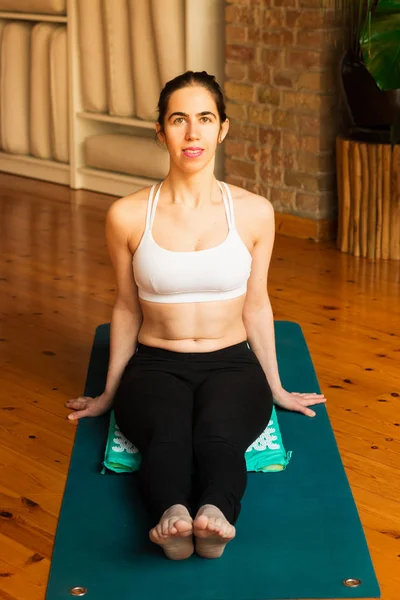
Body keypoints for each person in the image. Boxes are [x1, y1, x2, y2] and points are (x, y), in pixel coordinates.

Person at [65, 71, 326, 561]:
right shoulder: (126, 214)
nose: (192, 134)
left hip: (232, 361)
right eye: (178, 120)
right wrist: (106, 394)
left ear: (222, 128)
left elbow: (257, 302)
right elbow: (125, 305)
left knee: (219, 438)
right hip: (154, 362)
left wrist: (275, 385)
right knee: (165, 437)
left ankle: (215, 517)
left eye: (204, 119)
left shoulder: (254, 212)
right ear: (161, 131)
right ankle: (172, 516)